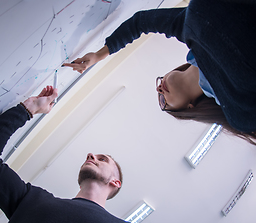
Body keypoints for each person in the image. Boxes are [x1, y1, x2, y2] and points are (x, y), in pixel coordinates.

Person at [63, 0, 256, 145]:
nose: (160, 91)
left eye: (158, 96)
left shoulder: (188, 31)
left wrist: (98, 55)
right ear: (188, 108)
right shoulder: (239, 112)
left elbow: (141, 22)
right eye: (163, 102)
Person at [0, 86, 143, 223]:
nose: (90, 155)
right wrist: (28, 110)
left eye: (102, 159)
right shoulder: (33, 200)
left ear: (115, 182)